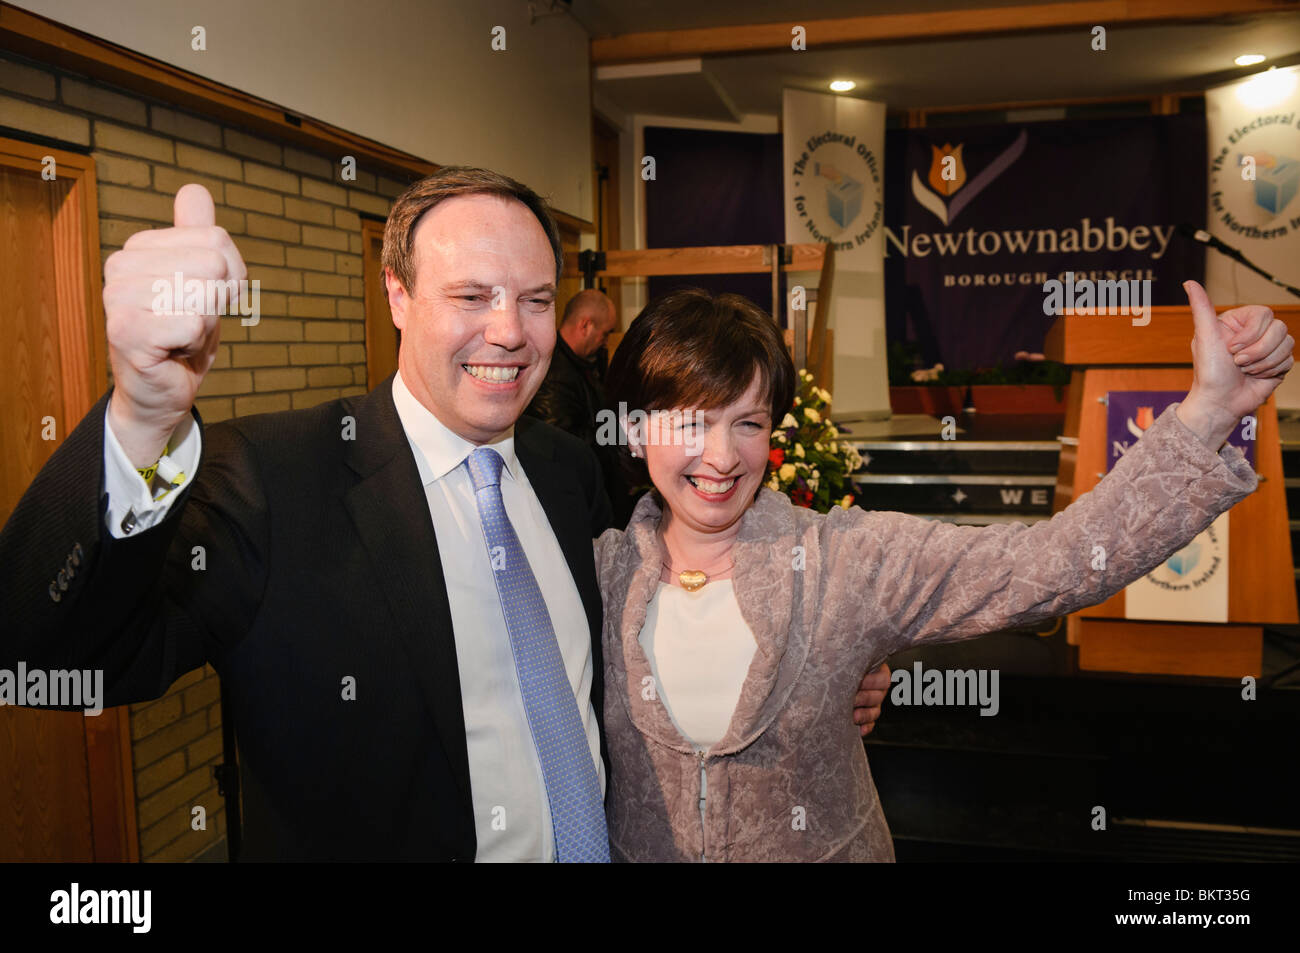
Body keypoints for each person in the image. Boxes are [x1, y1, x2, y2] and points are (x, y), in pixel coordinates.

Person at [0, 167, 885, 861]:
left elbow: (656, 613)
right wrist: (142, 419)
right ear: (396, 293)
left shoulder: (567, 469)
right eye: (472, 296)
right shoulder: (273, 475)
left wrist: (820, 660)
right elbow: (46, 652)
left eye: (535, 300)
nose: (510, 331)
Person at [593, 284, 1292, 862]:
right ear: (634, 428)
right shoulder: (594, 572)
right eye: (690, 422)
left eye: (747, 422)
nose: (721, 456)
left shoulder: (846, 561)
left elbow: (1053, 564)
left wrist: (1209, 412)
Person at [525, 289, 635, 525]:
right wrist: (617, 431)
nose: (605, 342)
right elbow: (564, 443)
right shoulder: (555, 373)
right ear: (585, 325)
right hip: (569, 495)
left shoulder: (581, 364)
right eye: (604, 334)